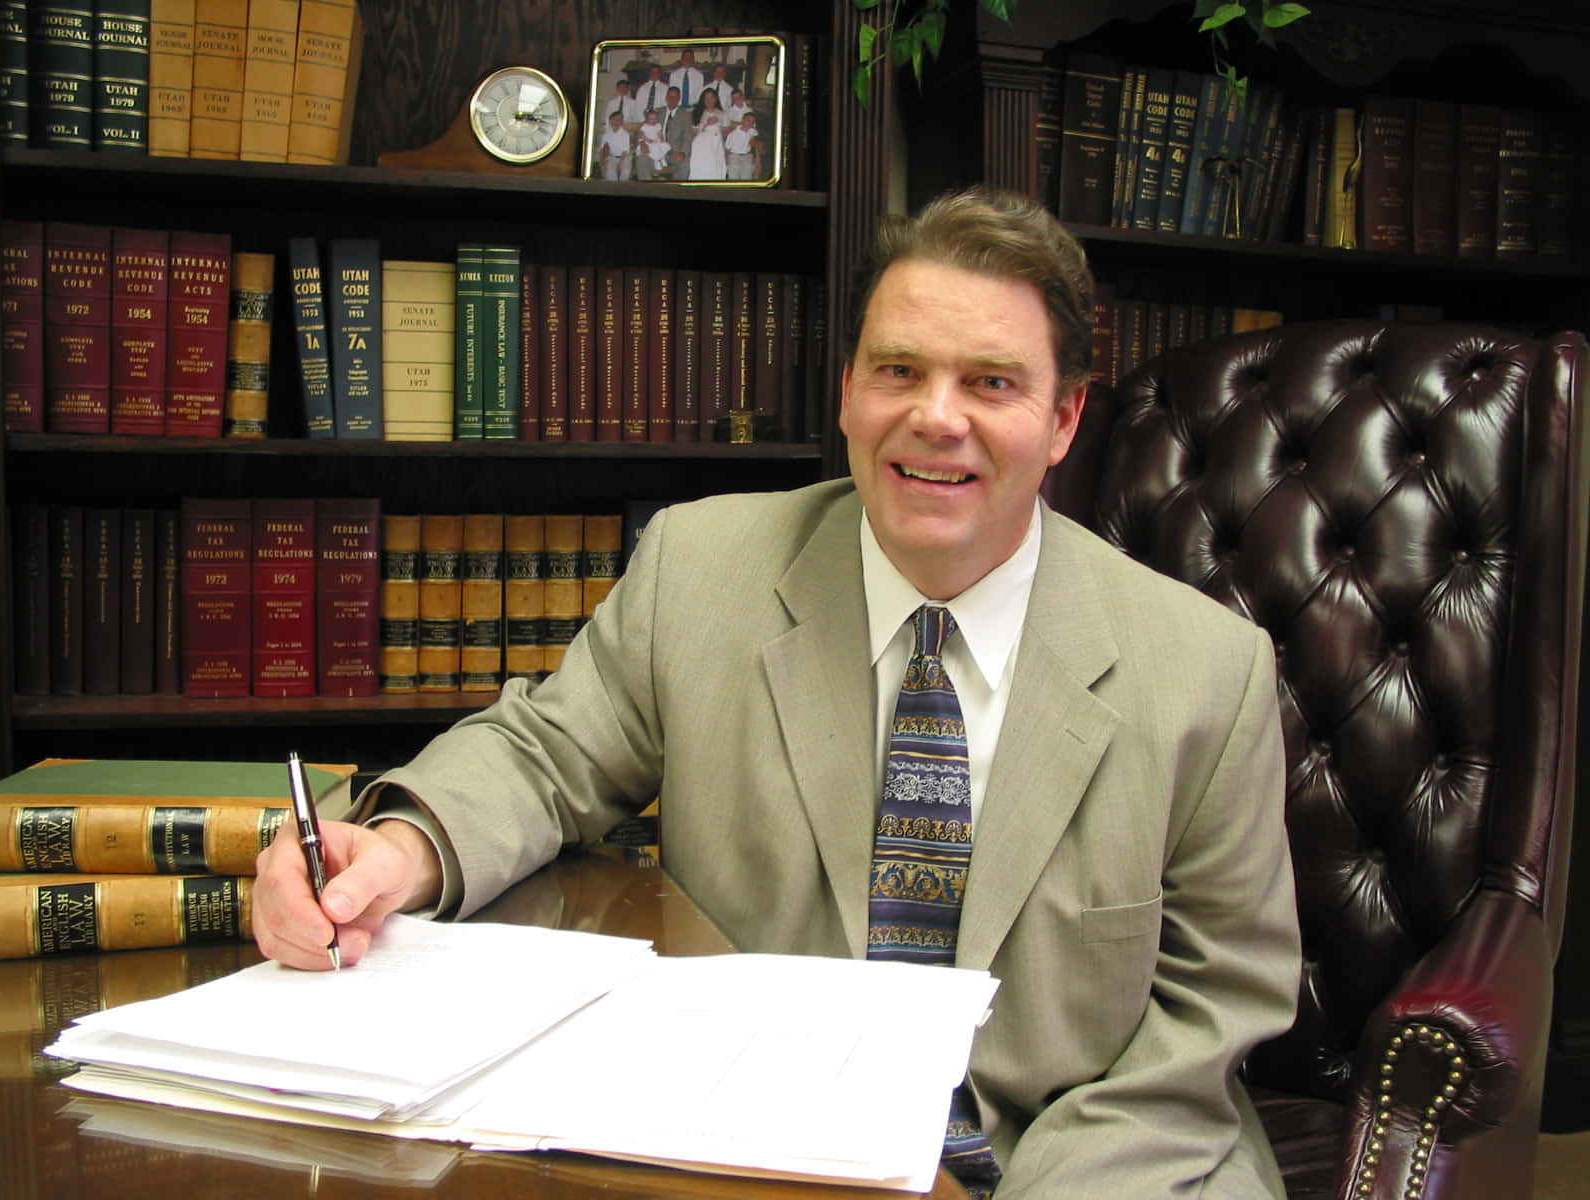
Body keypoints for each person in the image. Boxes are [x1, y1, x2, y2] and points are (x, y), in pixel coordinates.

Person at [254, 187, 1301, 1198]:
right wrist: (397, 853)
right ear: (848, 391)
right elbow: (545, 754)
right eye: (899, 370)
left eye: (991, 384)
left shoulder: (1205, 673)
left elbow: (1208, 1015)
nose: (936, 419)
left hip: (1078, 1158)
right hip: (752, 1144)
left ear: (1064, 418)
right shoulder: (700, 569)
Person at [636, 86, 691, 180]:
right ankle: (647, 187)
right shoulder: (657, 111)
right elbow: (641, 129)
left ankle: (676, 188)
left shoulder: (685, 115)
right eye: (670, 96)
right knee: (641, 159)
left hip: (674, 152)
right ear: (666, 98)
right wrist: (642, 143)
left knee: (685, 163)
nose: (672, 99)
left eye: (675, 97)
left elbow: (687, 137)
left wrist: (683, 152)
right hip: (653, 149)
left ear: (679, 98)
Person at [687, 87, 727, 181]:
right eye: (706, 98)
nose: (709, 101)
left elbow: (725, 132)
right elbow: (694, 132)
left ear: (716, 99)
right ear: (703, 100)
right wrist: (705, 125)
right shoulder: (697, 113)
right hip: (701, 144)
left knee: (714, 161)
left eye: (711, 97)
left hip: (716, 144)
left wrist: (716, 126)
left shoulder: (722, 114)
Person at [724, 109, 760, 181]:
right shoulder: (733, 133)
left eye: (752, 122)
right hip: (734, 155)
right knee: (733, 174)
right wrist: (726, 160)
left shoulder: (752, 131)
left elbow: (755, 142)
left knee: (747, 175)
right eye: (748, 120)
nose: (750, 123)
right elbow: (727, 149)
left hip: (747, 155)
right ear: (742, 120)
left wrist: (757, 157)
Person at [596, 111, 632, 181]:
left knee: (625, 171)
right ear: (610, 121)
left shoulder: (625, 134)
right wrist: (603, 163)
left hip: (624, 156)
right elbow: (601, 149)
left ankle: (623, 185)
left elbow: (625, 151)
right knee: (610, 174)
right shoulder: (606, 135)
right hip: (612, 157)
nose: (617, 122)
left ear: (622, 122)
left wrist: (620, 164)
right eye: (615, 120)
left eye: (619, 120)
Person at [634, 109, 670, 178]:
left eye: (655, 119)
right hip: (648, 143)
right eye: (651, 119)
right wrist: (647, 140)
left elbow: (660, 133)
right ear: (647, 119)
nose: (653, 121)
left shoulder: (658, 125)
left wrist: (661, 138)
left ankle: (661, 159)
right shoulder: (644, 126)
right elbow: (641, 136)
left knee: (663, 147)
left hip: (656, 142)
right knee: (654, 150)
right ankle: (657, 162)